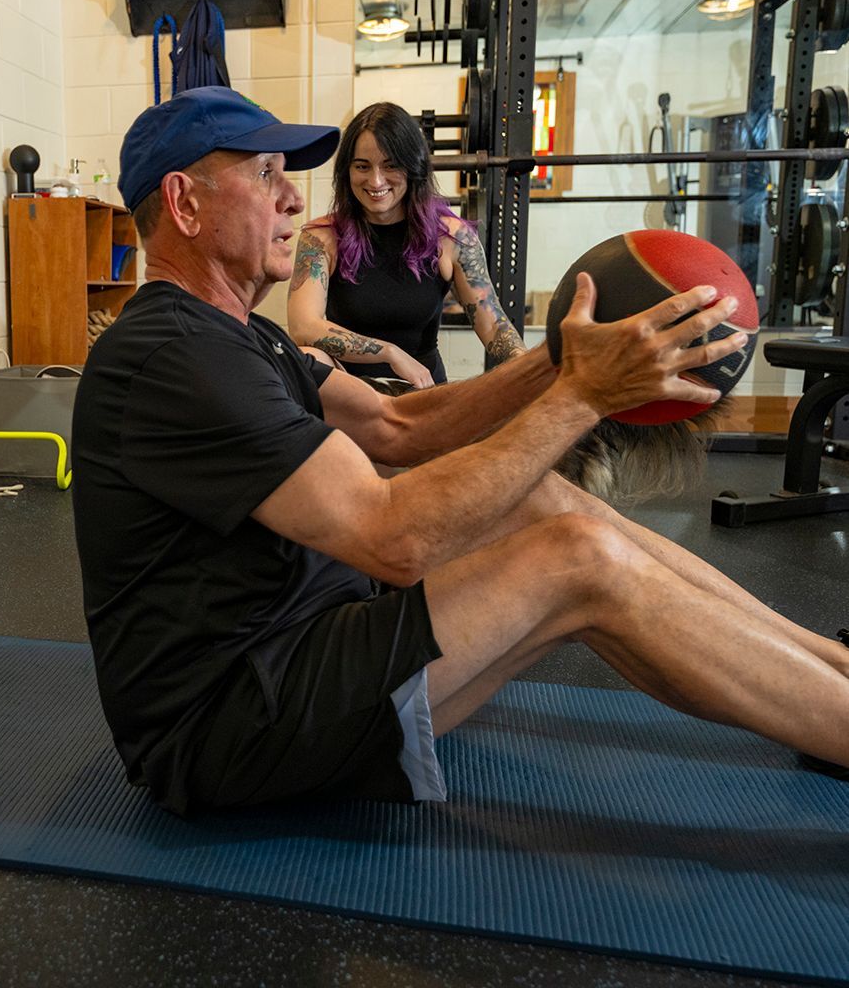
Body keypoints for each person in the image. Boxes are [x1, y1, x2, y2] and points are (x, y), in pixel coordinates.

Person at [71, 86, 849, 818]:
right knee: (579, 559)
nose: (294, 196)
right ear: (184, 202)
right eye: (267, 174)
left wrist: (559, 362)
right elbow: (392, 537)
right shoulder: (174, 354)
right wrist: (581, 398)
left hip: (310, 642)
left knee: (542, 502)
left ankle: (833, 665)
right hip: (230, 725)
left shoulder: (249, 337)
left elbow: (396, 426)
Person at [286, 102, 525, 389]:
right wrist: (389, 353)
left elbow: (492, 325)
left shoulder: (452, 237)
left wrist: (530, 369)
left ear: (413, 167)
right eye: (362, 166)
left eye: (390, 166)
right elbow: (303, 328)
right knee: (307, 357)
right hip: (350, 393)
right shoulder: (321, 237)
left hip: (421, 391)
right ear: (347, 172)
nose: (375, 181)